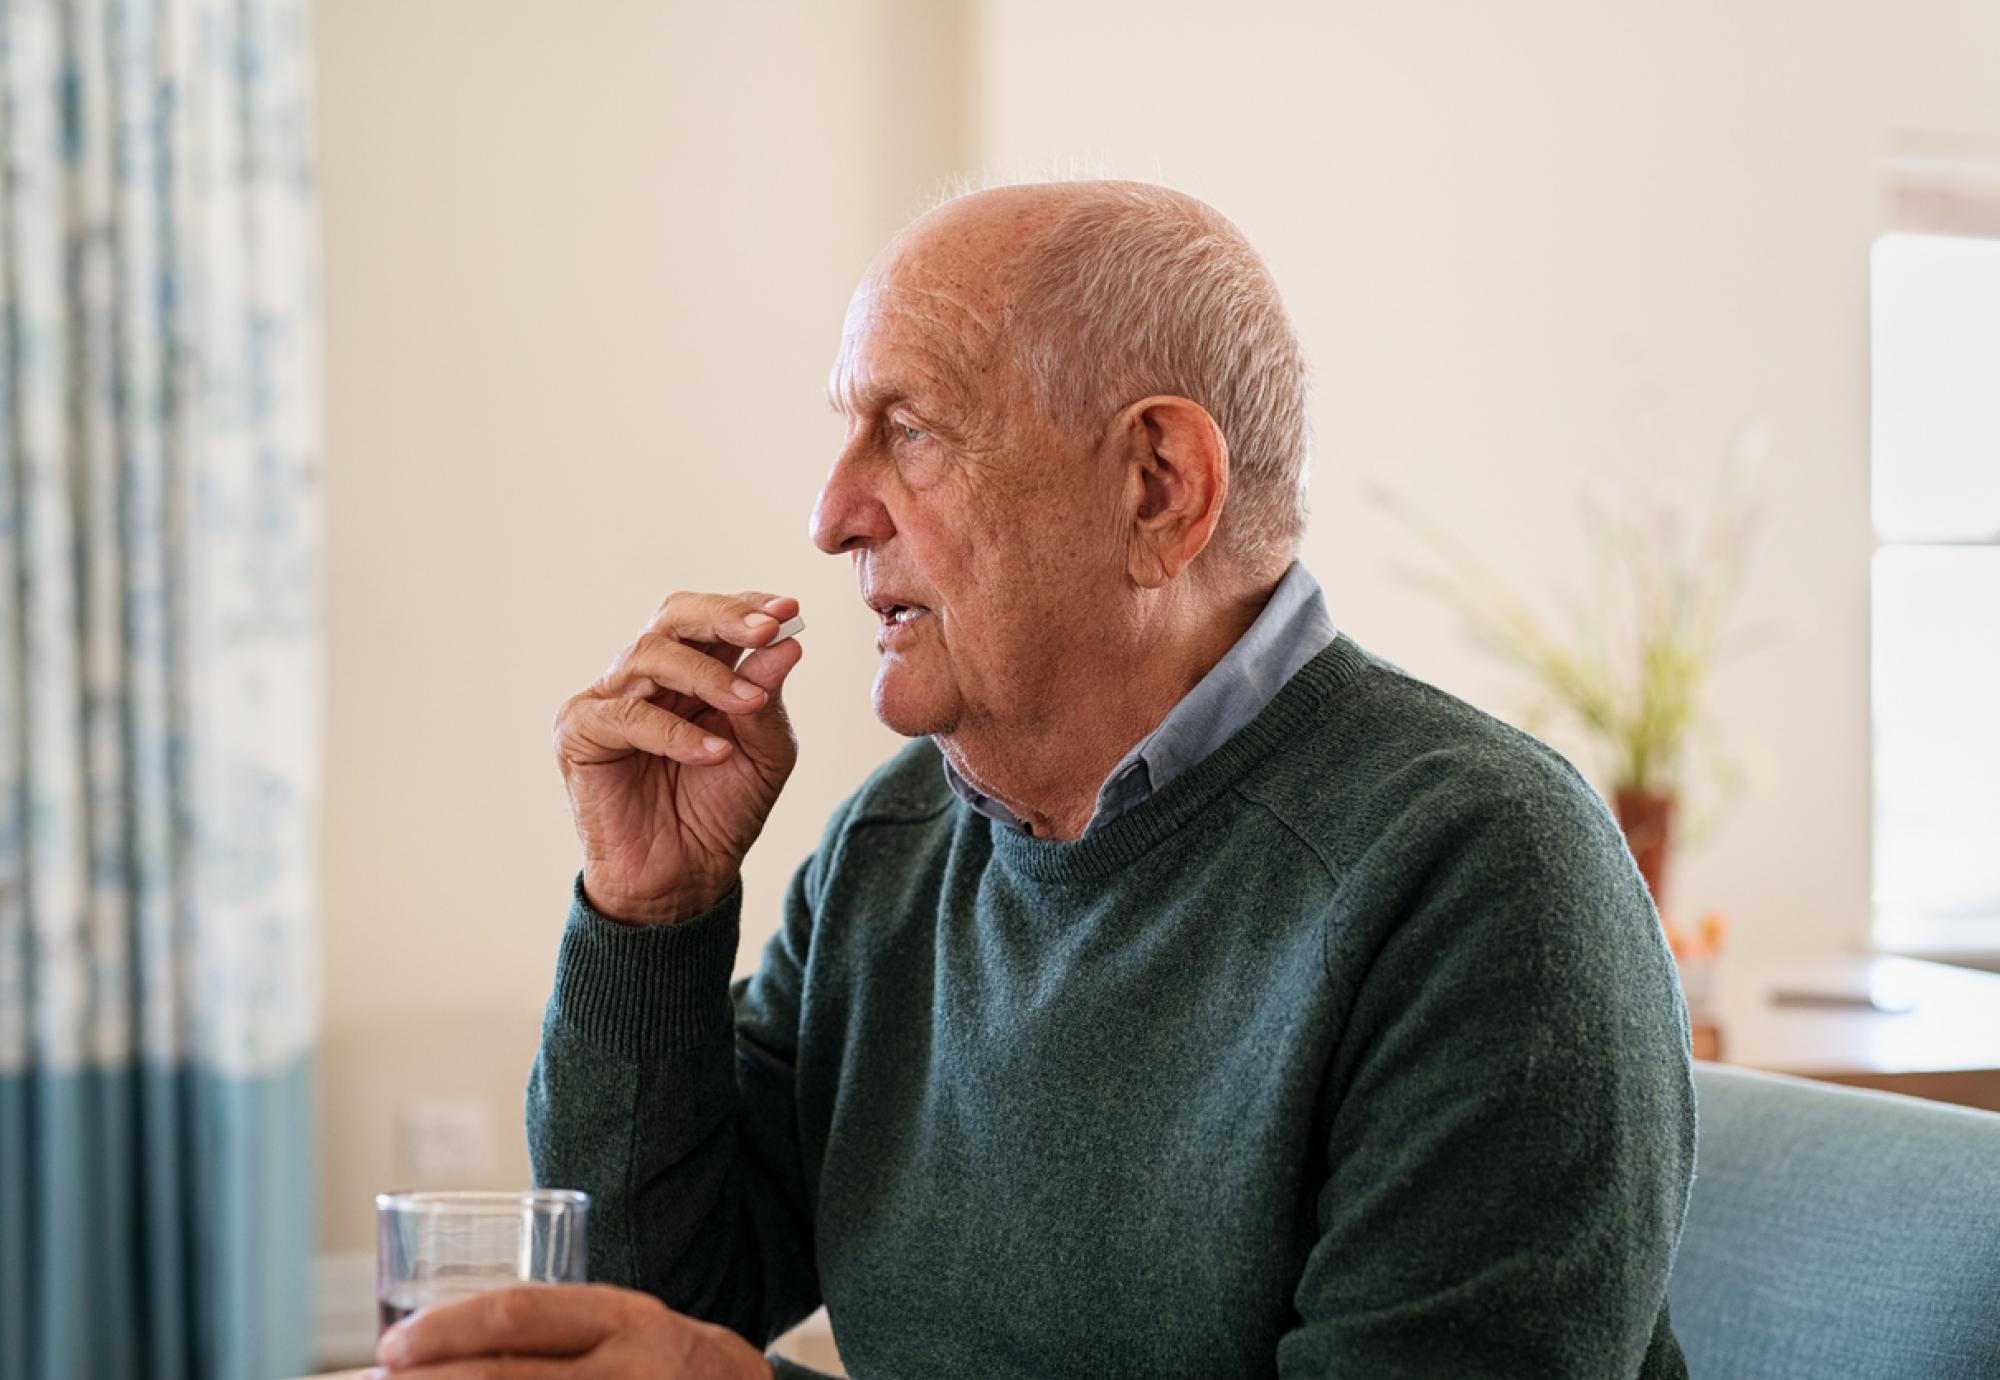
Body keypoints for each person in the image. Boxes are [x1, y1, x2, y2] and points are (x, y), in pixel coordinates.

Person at [377, 181, 1695, 1379]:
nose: (832, 513)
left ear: (1159, 486)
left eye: (910, 430)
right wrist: (650, 916)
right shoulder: (891, 846)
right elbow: (667, 1299)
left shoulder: (1486, 872)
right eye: (849, 431)